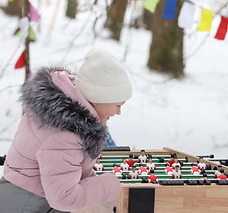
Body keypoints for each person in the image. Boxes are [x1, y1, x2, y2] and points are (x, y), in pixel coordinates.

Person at [0, 48, 133, 212]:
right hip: (27, 204)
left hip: (29, 198)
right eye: (118, 105)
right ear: (99, 98)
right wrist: (113, 185)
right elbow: (64, 197)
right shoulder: (65, 134)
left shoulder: (70, 118)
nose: (118, 112)